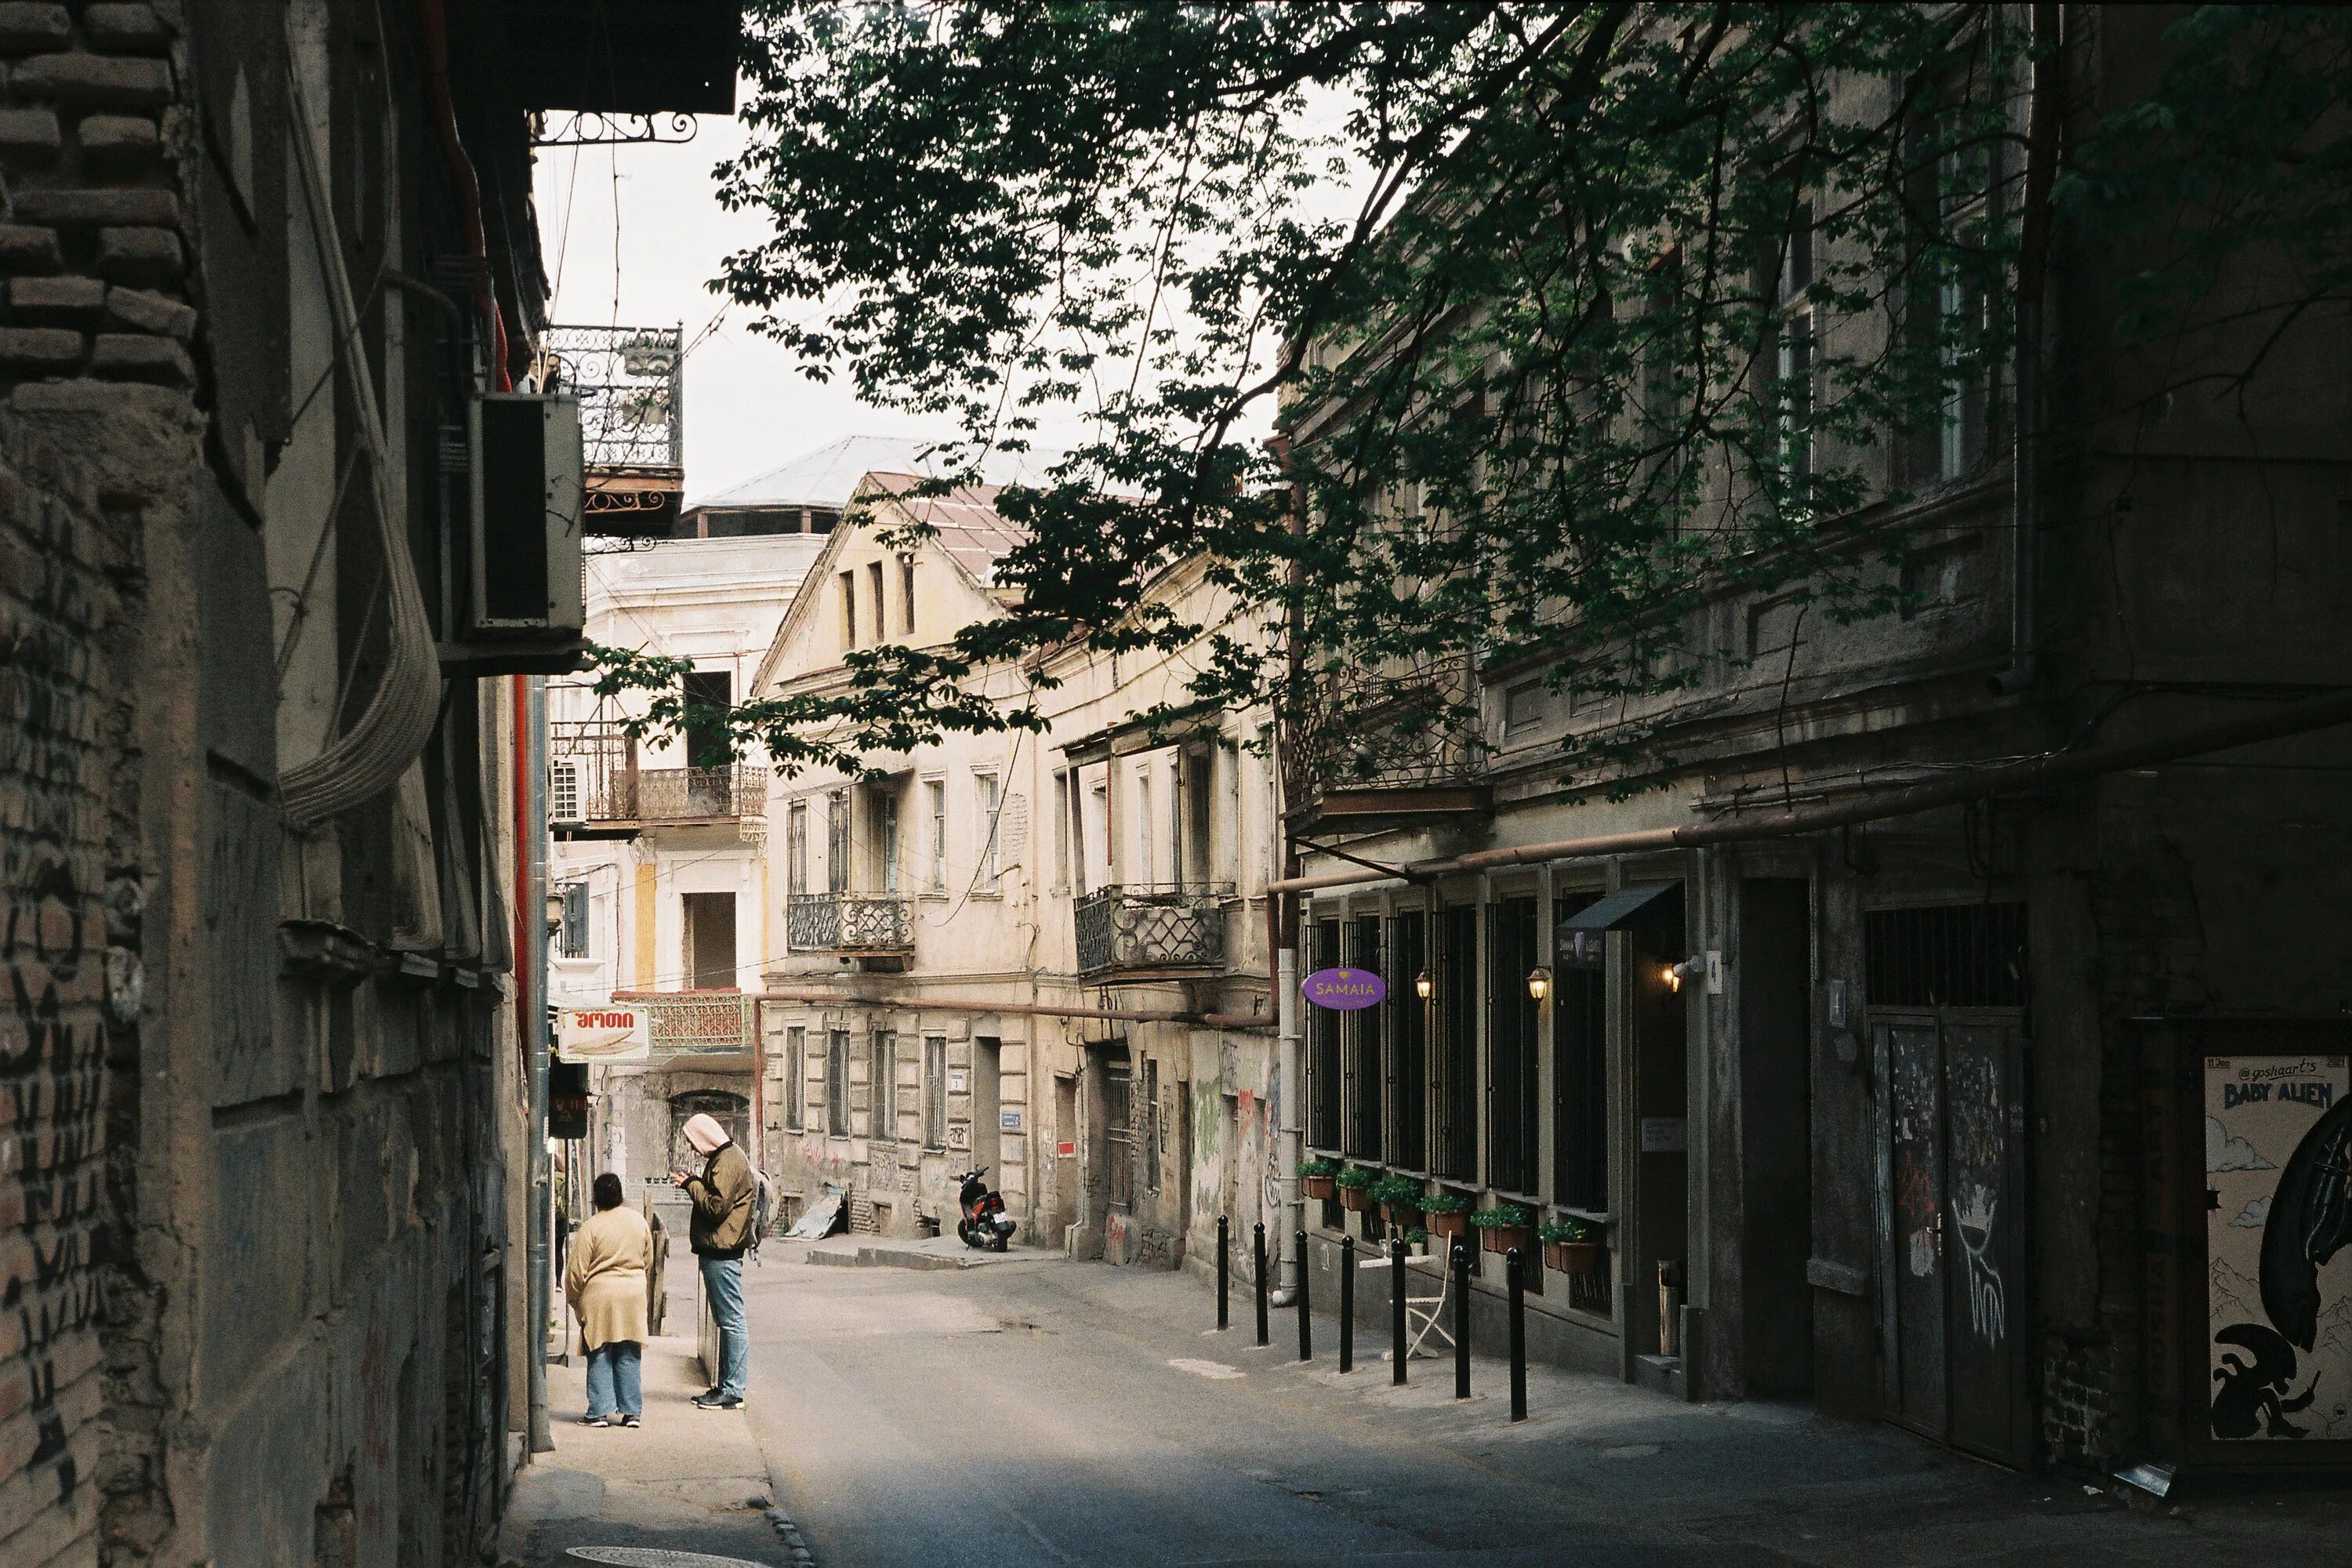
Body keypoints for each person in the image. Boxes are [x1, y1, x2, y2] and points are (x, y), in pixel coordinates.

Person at [674, 1112, 753, 1410]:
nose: (694, 1148)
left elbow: (716, 1207)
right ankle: (726, 1387)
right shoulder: (725, 1158)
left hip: (723, 1253)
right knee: (727, 1321)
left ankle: (732, 1390)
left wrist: (692, 1184)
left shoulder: (728, 1161)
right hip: (718, 1251)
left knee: (732, 1321)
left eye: (694, 1142)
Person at [564, 1171, 652, 1428]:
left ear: (596, 1199)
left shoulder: (591, 1226)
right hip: (633, 1294)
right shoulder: (638, 1221)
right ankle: (632, 1412)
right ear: (621, 1195)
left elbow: (576, 1271)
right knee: (629, 1352)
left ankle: (599, 1413)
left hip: (599, 1296)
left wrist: (575, 1300)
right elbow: (648, 1260)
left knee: (599, 1351)